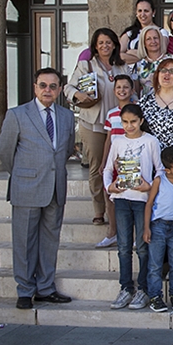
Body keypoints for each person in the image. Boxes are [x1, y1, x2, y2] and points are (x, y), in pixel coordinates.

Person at [0, 68, 75, 310]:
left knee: (50, 240)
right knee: (24, 241)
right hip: (27, 186)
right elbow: (4, 151)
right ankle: (25, 289)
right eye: (43, 85)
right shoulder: (17, 114)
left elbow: (67, 148)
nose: (47, 90)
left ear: (60, 89)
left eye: (53, 86)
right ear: (34, 87)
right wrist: (23, 173)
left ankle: (45, 288)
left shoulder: (66, 116)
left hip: (55, 187)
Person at [64, 28, 131, 228]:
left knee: (119, 165)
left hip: (119, 124)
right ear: (95, 45)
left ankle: (119, 209)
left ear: (114, 45)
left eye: (109, 42)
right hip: (93, 123)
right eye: (101, 42)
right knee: (97, 168)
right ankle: (99, 210)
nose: (105, 46)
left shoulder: (122, 67)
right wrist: (79, 96)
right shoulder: (86, 65)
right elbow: (69, 87)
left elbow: (130, 90)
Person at [104, 104, 164, 311]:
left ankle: (144, 289)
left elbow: (160, 170)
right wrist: (109, 187)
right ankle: (126, 288)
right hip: (121, 199)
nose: (129, 126)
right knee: (123, 247)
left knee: (143, 246)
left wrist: (149, 187)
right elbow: (107, 169)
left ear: (141, 121)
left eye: (133, 121)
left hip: (142, 201)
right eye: (125, 122)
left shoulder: (150, 141)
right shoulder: (117, 141)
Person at [143, 146, 173, 313]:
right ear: (167, 170)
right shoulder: (159, 180)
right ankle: (155, 296)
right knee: (155, 265)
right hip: (159, 226)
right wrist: (146, 228)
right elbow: (149, 204)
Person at [97, 74, 136, 249]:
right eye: (119, 87)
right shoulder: (111, 113)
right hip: (114, 162)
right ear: (114, 91)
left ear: (132, 90)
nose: (122, 90)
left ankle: (136, 234)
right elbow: (108, 139)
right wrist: (105, 162)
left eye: (126, 87)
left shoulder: (139, 110)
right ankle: (112, 232)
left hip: (133, 160)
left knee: (134, 196)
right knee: (110, 195)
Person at [119, 0, 169, 65]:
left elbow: (160, 52)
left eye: (146, 11)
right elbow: (117, 56)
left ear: (153, 12)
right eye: (139, 11)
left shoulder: (161, 32)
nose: (142, 14)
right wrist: (145, 56)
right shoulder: (129, 33)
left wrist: (130, 53)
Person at [132, 25, 171, 97]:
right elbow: (136, 91)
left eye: (155, 38)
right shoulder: (139, 65)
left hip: (171, 103)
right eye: (148, 39)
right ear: (144, 43)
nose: (153, 41)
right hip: (147, 105)